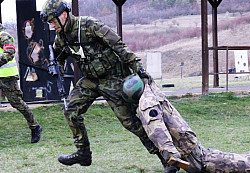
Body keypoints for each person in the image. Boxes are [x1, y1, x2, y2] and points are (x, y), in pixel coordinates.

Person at [40, 0, 183, 172]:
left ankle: (165, 157)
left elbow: (118, 45)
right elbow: (59, 57)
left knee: (130, 122)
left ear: (64, 14)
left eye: (53, 21)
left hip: (113, 78)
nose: (52, 25)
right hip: (90, 80)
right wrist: (57, 67)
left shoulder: (89, 25)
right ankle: (83, 153)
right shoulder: (61, 37)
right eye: (50, 23)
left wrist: (138, 68)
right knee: (71, 109)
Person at [137, 79, 250, 173]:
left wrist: (169, 152)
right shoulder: (149, 94)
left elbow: (158, 131)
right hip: (190, 152)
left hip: (196, 156)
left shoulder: (148, 103)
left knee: (239, 164)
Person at [0, 24, 42, 143]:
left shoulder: (3, 36)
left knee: (17, 103)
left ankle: (35, 127)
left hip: (7, 77)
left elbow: (9, 52)